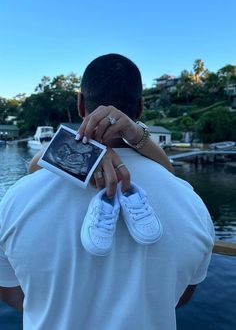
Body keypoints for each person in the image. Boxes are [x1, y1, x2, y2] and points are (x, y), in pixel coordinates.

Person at [0, 53, 214, 330]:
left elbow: (11, 294)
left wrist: (78, 147)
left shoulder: (16, 199)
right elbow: (181, 297)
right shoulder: (192, 204)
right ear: (140, 109)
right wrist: (135, 136)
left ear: (79, 104)